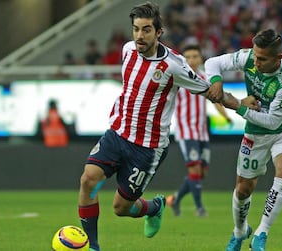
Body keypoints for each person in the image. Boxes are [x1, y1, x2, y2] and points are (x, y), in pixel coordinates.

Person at [77, 3, 219, 251]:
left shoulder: (174, 64)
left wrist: (241, 105)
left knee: (122, 208)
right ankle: (93, 247)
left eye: (146, 30)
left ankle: (154, 207)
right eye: (136, 29)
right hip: (117, 134)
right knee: (88, 179)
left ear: (159, 32)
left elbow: (210, 91)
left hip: (147, 148)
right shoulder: (127, 50)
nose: (139, 36)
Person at [205, 29, 282, 251]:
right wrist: (216, 82)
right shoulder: (249, 57)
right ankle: (240, 231)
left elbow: (272, 122)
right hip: (255, 133)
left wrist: (236, 105)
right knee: (243, 189)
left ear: (278, 58)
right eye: (255, 56)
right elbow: (212, 62)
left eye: (262, 59)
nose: (256, 62)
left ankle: (261, 233)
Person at [167, 45, 232, 218]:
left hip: (202, 132)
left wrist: (226, 116)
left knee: (201, 173)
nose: (191, 60)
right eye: (187, 57)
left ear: (201, 59)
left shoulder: (205, 79)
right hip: (186, 131)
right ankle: (200, 208)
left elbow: (216, 100)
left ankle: (175, 199)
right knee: (194, 170)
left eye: (195, 56)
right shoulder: (178, 78)